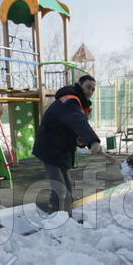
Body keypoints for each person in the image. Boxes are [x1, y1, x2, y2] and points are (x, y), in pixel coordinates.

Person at [32, 75, 102, 214]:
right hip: (49, 149)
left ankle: (64, 218)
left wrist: (78, 140)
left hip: (61, 150)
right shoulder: (69, 101)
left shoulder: (78, 104)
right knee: (60, 189)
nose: (90, 91)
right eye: (88, 87)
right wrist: (93, 141)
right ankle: (56, 219)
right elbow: (77, 122)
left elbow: (70, 128)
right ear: (79, 85)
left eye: (93, 89)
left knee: (67, 187)